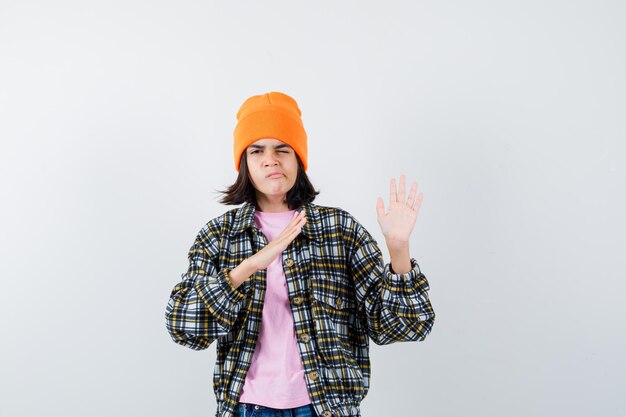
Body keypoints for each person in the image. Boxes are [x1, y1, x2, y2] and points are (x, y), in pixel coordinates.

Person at [164, 91, 435, 417]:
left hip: (324, 408)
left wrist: (399, 249)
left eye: (282, 149)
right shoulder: (219, 236)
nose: (271, 159)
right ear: (244, 163)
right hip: (248, 407)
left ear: (298, 159)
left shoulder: (339, 229)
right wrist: (249, 267)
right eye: (257, 150)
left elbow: (403, 326)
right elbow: (183, 325)